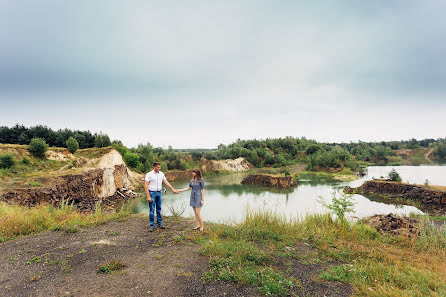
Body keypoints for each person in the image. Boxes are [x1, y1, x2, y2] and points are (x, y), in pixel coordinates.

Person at [144, 162, 178, 232]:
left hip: (159, 193)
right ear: (154, 167)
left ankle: (160, 224)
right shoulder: (149, 174)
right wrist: (148, 196)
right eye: (158, 167)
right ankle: (151, 225)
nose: (159, 168)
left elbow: (166, 182)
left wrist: (172, 189)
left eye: (160, 167)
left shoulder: (161, 174)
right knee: (152, 210)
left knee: (159, 209)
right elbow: (145, 185)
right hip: (152, 193)